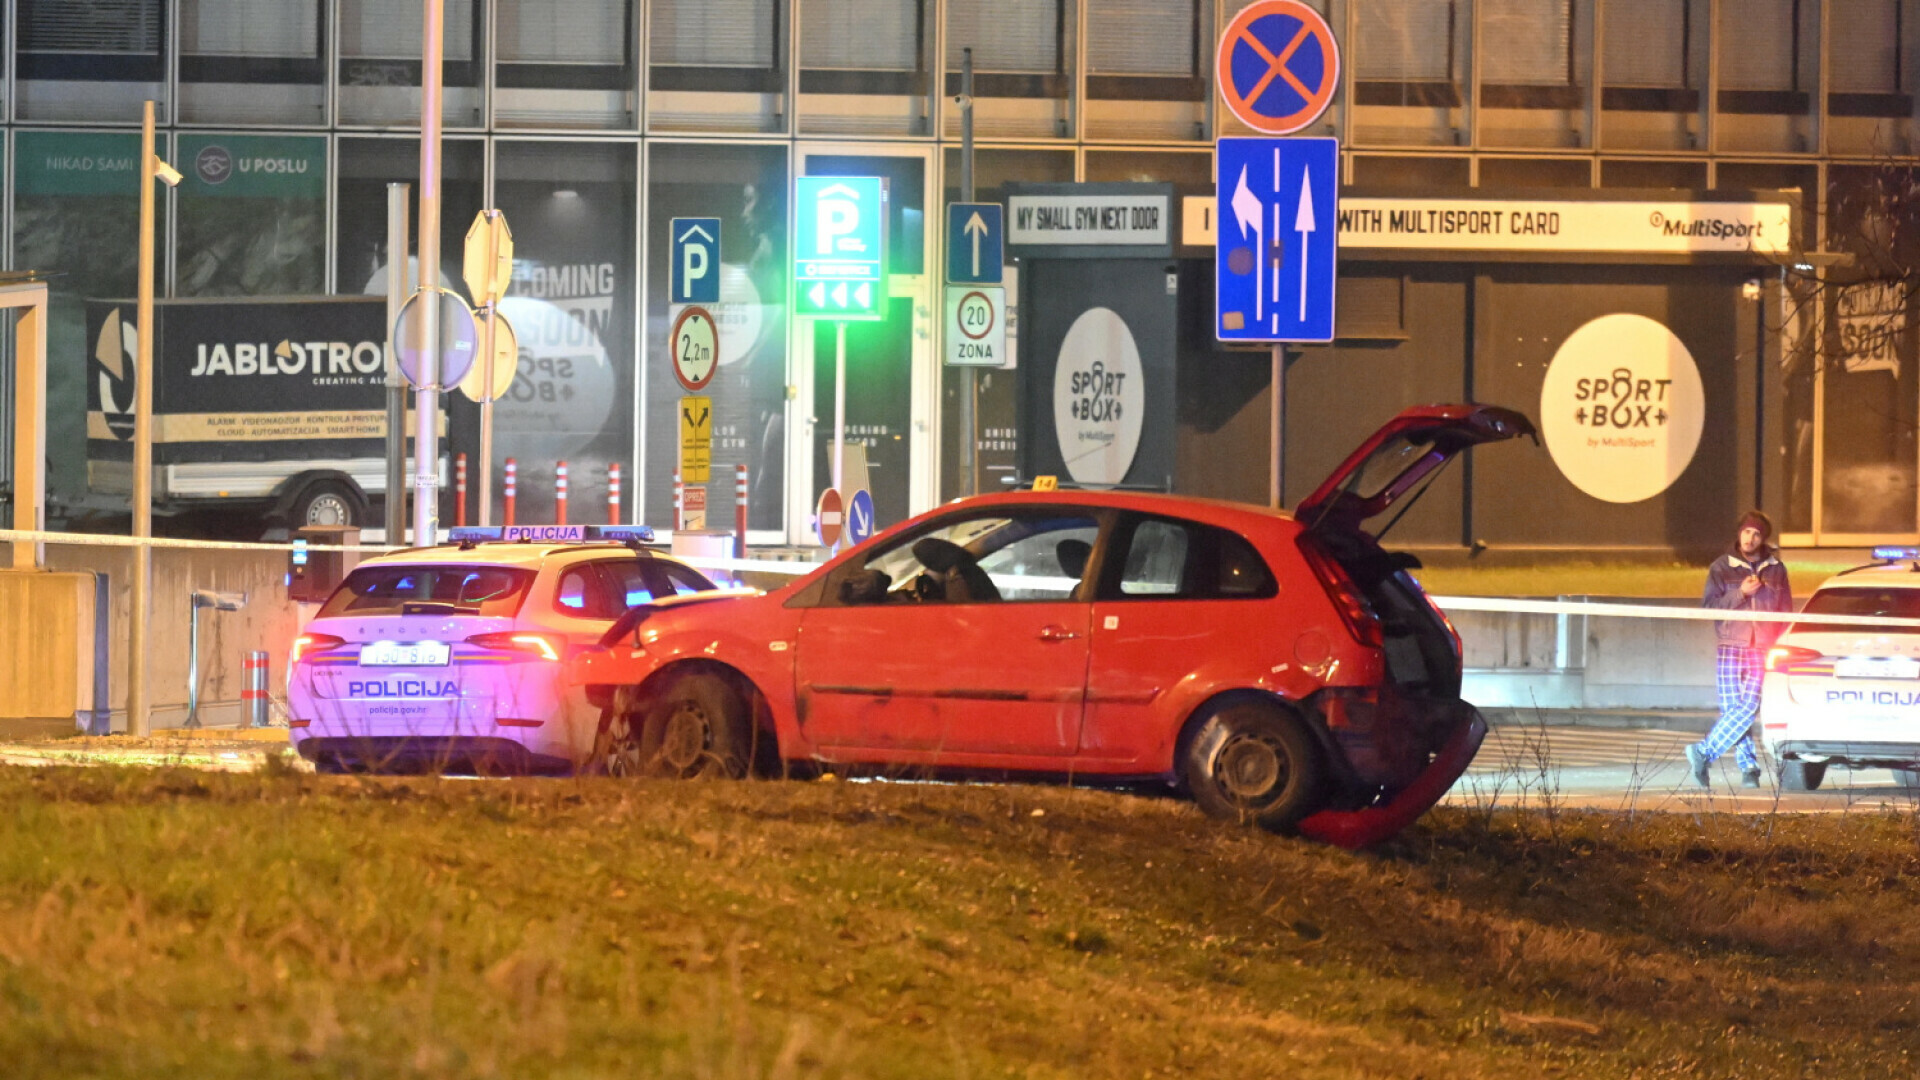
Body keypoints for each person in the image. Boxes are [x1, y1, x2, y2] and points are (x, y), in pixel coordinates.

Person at [1687, 510, 1793, 789]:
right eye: (1747, 532)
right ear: (1739, 534)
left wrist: (1780, 644)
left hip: (1762, 647)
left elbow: (1785, 612)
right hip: (1731, 646)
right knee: (1734, 709)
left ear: (1763, 538)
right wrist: (1741, 594)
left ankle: (1704, 752)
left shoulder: (1776, 569)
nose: (1750, 538)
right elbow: (1709, 609)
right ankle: (1749, 769)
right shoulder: (1722, 567)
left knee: (1747, 707)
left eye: (1756, 533)